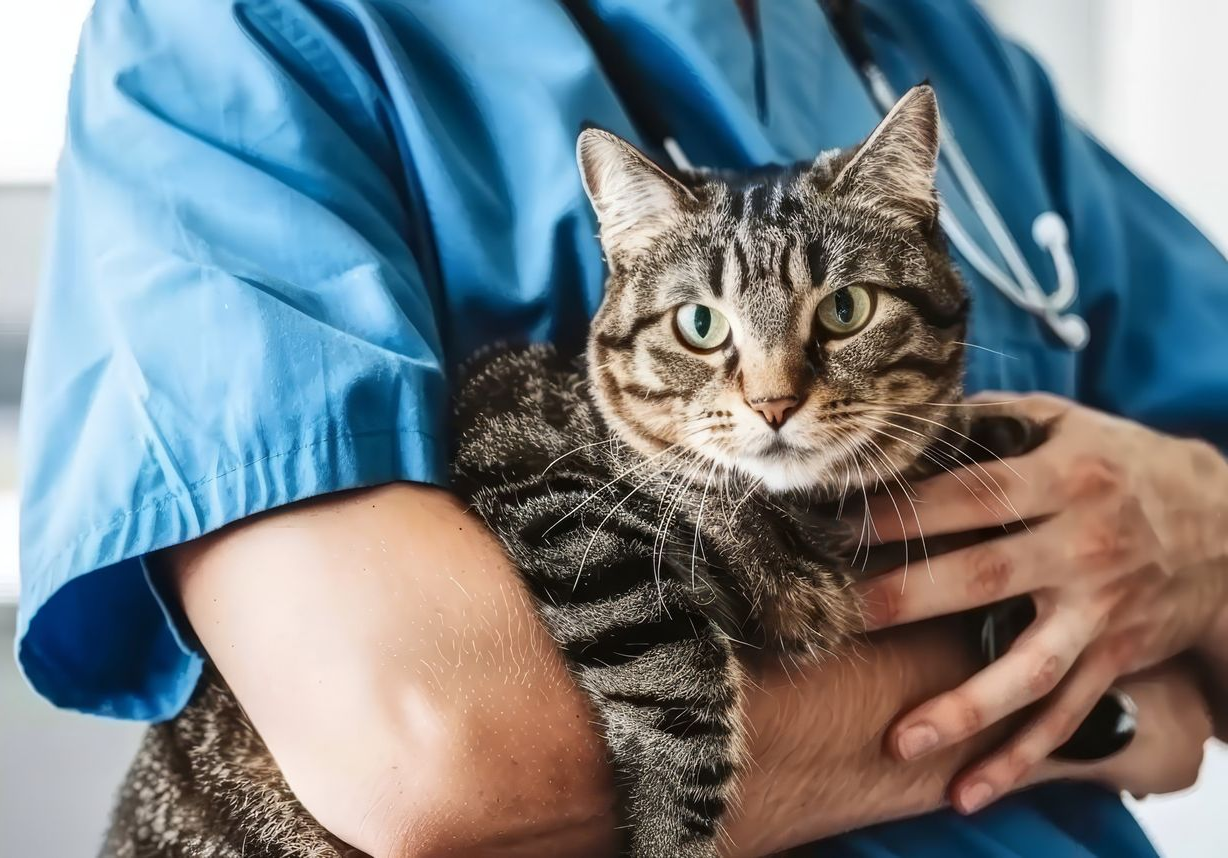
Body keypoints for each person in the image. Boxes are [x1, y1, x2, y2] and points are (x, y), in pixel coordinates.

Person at [17, 0, 1227, 855]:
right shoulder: (237, 33)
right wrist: (1105, 706)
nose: (775, 391)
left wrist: (1201, 527)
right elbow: (435, 752)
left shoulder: (951, 52)